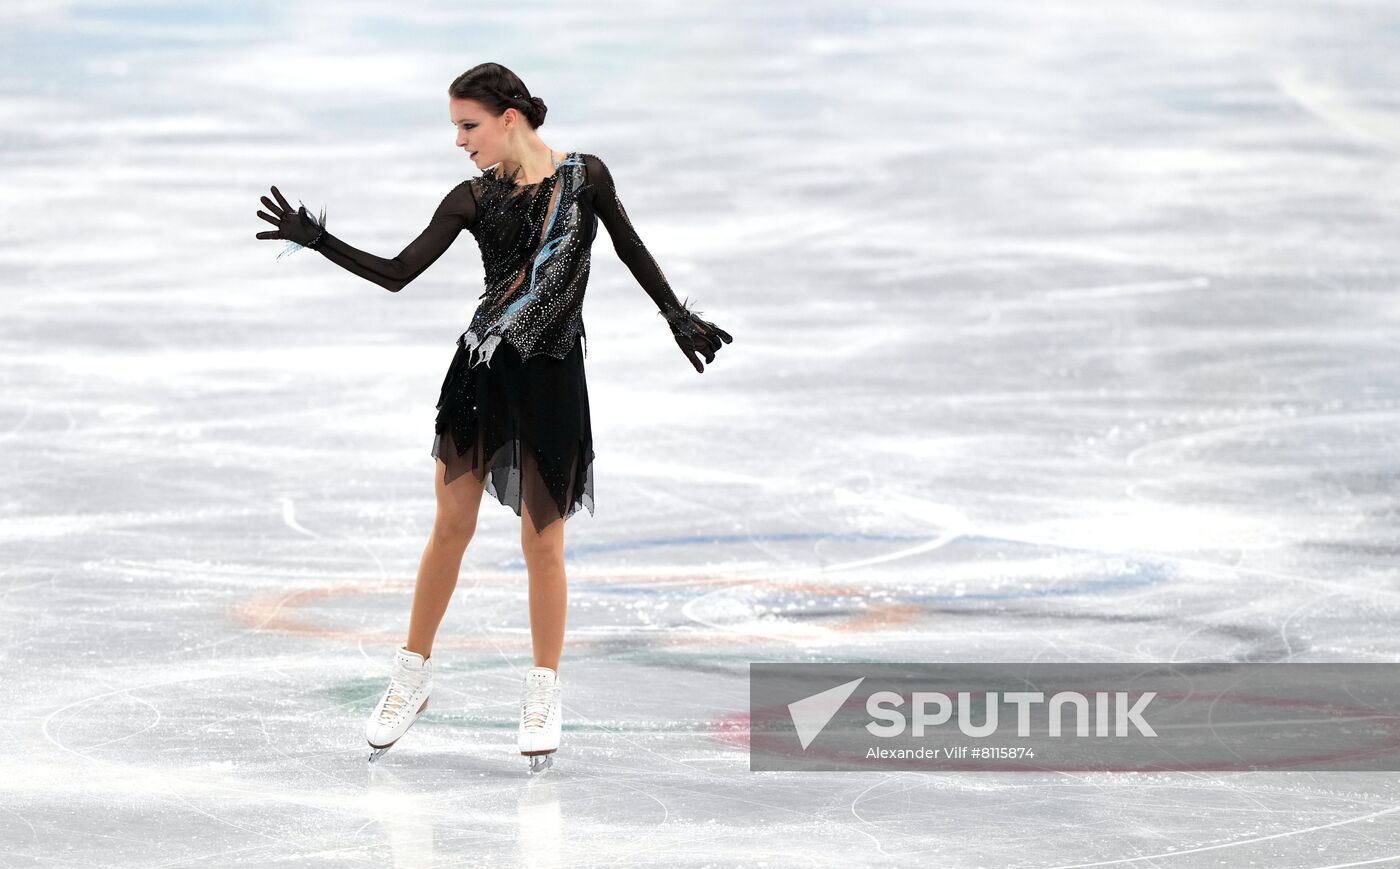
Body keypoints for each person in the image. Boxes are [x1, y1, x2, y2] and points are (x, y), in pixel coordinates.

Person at [255, 62, 732, 772]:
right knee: (451, 526)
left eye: (467, 125)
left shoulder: (586, 178)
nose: (458, 140)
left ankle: (543, 691)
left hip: (554, 381)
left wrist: (676, 315)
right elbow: (397, 272)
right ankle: (411, 677)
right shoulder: (470, 198)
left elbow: (630, 249)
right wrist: (320, 240)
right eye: (454, 127)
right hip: (482, 374)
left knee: (544, 544)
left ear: (511, 117)